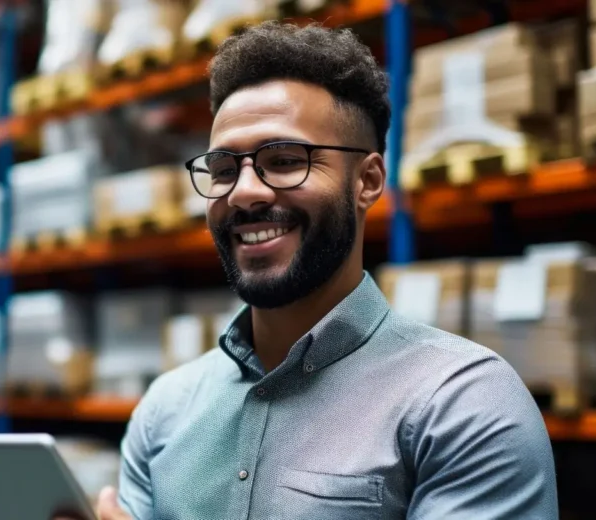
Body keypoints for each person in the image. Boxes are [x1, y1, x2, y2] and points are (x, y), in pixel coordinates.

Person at [69, 21, 557, 520]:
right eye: (222, 170)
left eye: (284, 161)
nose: (244, 192)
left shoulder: (461, 406)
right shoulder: (165, 411)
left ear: (367, 181)